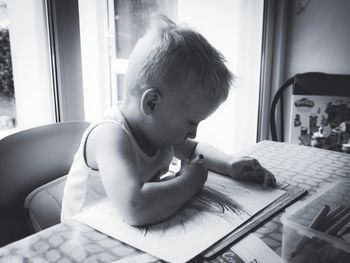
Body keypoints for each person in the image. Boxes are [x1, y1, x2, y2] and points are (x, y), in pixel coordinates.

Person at [61, 14, 276, 226]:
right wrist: (190, 181)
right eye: (191, 122)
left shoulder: (158, 130)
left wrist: (229, 164)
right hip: (80, 242)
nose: (193, 134)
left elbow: (195, 150)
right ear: (152, 103)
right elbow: (135, 207)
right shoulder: (110, 136)